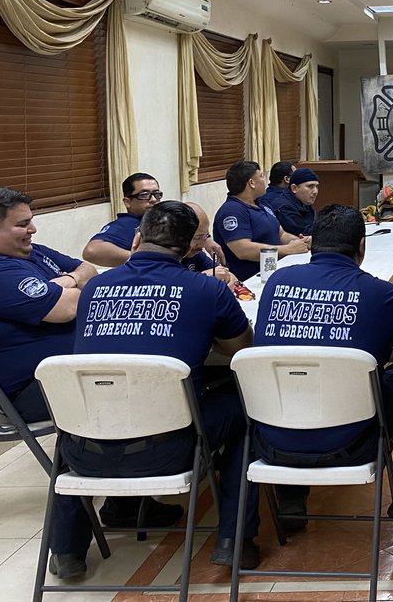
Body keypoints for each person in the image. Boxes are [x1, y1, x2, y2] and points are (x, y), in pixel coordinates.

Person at [0, 187, 178, 580]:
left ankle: (125, 505)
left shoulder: (24, 253)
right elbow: (67, 307)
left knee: (131, 386)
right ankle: (70, 544)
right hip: (28, 391)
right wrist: (67, 290)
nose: (33, 230)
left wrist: (64, 281)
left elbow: (87, 269)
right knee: (115, 402)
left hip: (60, 372)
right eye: (22, 224)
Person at [67, 202, 260, 571]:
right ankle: (234, 539)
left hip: (86, 448)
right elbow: (241, 352)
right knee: (244, 409)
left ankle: (67, 549)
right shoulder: (206, 290)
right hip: (169, 446)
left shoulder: (94, 288)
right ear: (191, 248)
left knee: (77, 414)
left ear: (137, 238)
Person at [254, 204, 393, 532]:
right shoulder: (379, 293)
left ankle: (291, 499)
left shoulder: (277, 281)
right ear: (362, 246)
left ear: (312, 243)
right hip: (352, 439)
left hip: (274, 439)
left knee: (294, 383)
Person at [213, 160, 310, 281]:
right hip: (249, 282)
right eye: (261, 177)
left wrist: (302, 243)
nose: (265, 181)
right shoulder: (232, 210)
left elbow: (281, 234)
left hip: (274, 273)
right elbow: (243, 249)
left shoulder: (262, 205)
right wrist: (287, 249)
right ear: (251, 183)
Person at [80, 172, 162, 267]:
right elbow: (92, 251)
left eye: (157, 194)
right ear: (127, 202)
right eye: (144, 195)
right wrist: (142, 258)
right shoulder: (128, 223)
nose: (153, 199)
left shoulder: (163, 216)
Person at [182, 202, 237, 287]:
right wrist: (202, 277)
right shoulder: (167, 260)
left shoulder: (196, 255)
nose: (202, 245)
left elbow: (228, 275)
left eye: (205, 236)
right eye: (197, 238)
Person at [273, 166, 319, 237]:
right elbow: (303, 234)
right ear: (294, 188)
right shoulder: (284, 207)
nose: (315, 191)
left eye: (317, 187)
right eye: (310, 186)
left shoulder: (304, 201)